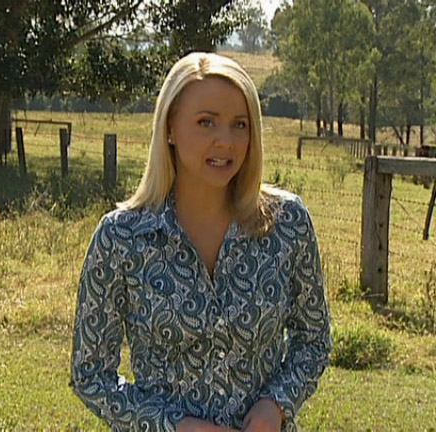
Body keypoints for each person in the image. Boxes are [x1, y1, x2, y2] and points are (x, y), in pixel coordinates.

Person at [71, 52, 332, 432]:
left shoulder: (287, 224)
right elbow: (91, 376)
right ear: (170, 128)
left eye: (239, 125)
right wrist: (176, 426)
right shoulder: (121, 238)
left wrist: (276, 404)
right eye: (206, 122)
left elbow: (314, 340)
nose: (225, 141)